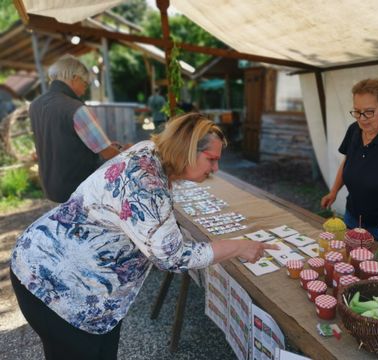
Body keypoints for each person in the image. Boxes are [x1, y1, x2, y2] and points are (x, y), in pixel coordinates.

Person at [10, 112, 277, 360]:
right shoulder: (145, 183)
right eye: (211, 159)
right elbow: (172, 257)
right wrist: (237, 247)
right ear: (186, 150)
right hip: (52, 282)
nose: (216, 168)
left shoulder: (151, 153)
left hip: (78, 282)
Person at [29, 55, 129, 203]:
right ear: (74, 78)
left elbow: (59, 141)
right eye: (85, 83)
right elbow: (107, 153)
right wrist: (127, 151)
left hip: (50, 186)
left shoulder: (35, 105)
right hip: (78, 189)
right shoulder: (76, 109)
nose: (84, 90)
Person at [321, 78, 378, 242]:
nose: (362, 118)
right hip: (353, 217)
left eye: (369, 111)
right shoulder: (354, 130)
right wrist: (334, 191)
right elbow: (347, 162)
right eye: (357, 111)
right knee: (350, 263)